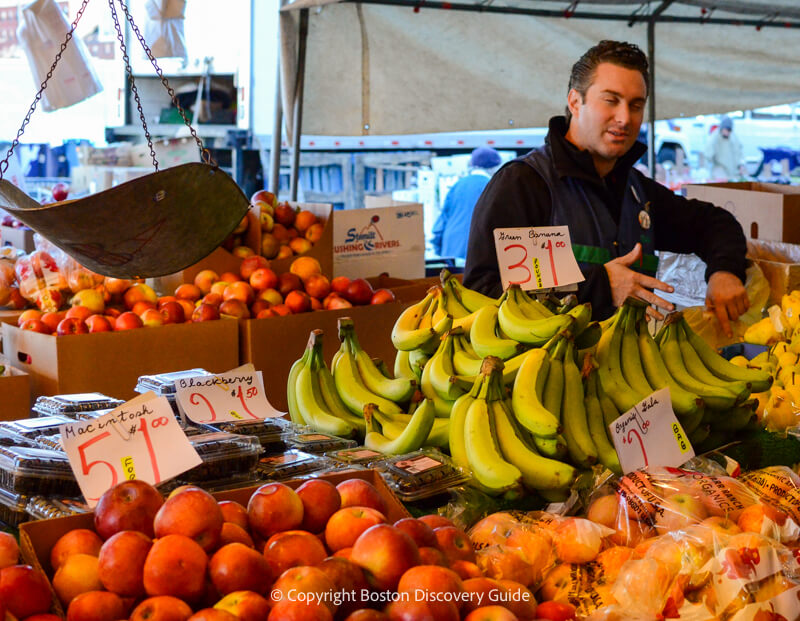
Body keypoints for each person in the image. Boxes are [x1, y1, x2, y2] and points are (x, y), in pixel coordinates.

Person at [463, 40, 749, 336]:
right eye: (611, 100)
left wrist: (724, 272)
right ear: (575, 102)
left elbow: (715, 224)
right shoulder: (525, 184)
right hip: (543, 374)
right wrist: (599, 287)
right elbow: (482, 293)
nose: (625, 118)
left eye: (636, 105)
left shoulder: (636, 193)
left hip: (627, 372)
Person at [431, 147, 502, 259]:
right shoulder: (494, 186)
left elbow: (441, 223)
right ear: (494, 167)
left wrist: (440, 249)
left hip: (451, 250)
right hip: (478, 253)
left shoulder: (457, 185)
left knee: (453, 277)